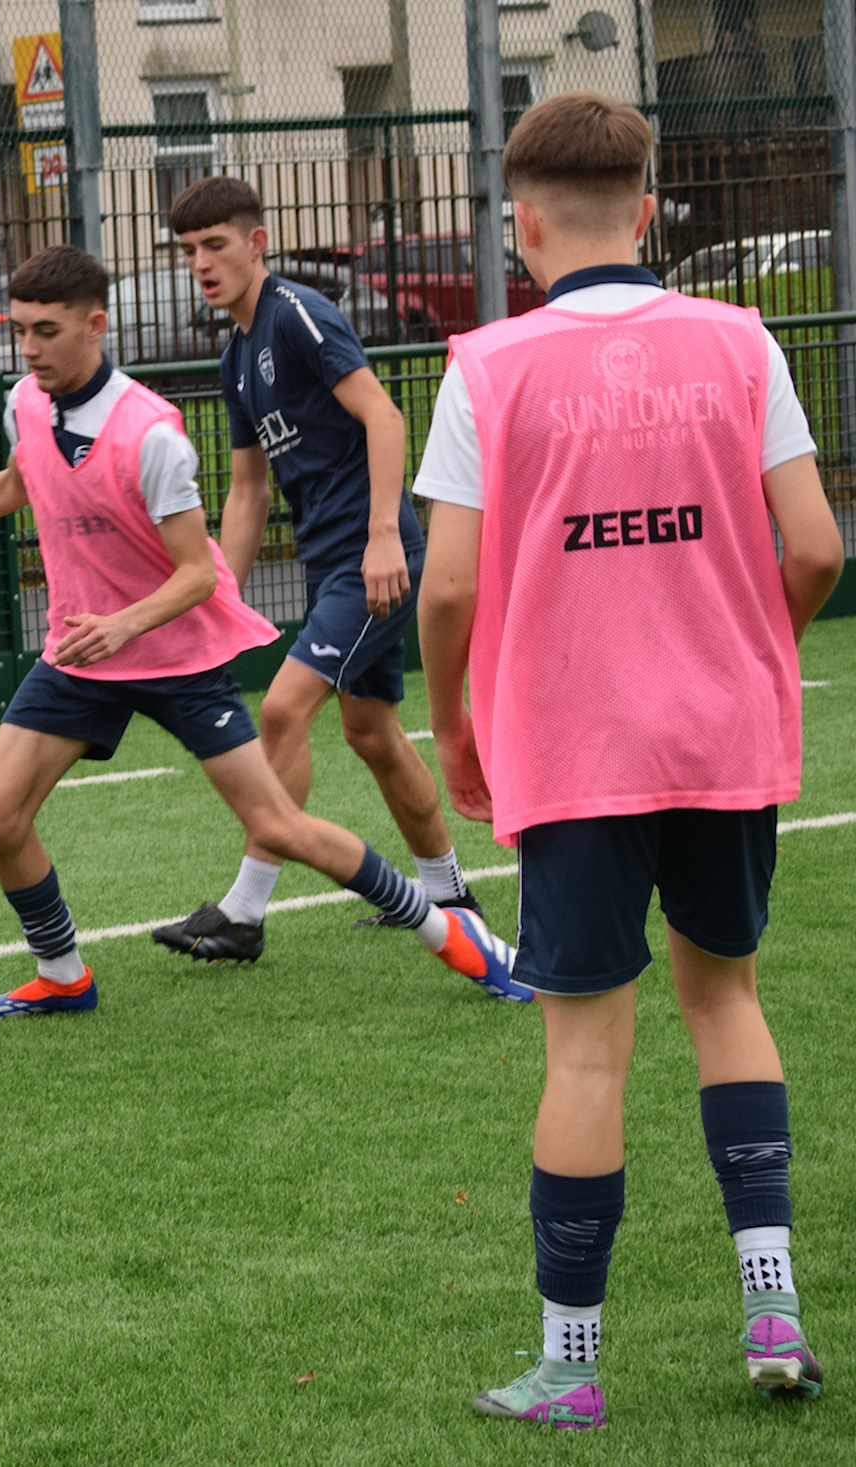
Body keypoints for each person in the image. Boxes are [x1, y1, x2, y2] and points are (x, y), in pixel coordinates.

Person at [414, 92, 841, 1426]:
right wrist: (748, 646)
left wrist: (453, 724)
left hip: (575, 742)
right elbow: (819, 546)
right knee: (729, 999)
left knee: (587, 1051)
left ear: (522, 224)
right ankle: (772, 1309)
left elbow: (443, 592)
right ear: (650, 212)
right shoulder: (741, 338)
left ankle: (573, 1366)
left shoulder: (487, 365)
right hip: (725, 732)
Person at [0, 244, 522, 1022]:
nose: (28, 349)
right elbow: (20, 476)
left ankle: (455, 935)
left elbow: (198, 575)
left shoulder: (152, 435)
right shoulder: (24, 402)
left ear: (94, 324)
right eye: (20, 331)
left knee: (278, 823)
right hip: (82, 652)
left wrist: (123, 625)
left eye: (45, 331)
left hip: (173, 654)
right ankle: (62, 974)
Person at [147, 176, 496, 978]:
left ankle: (243, 912)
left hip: (373, 562)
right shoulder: (235, 355)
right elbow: (247, 490)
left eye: (216, 245)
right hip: (331, 566)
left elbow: (385, 414)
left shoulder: (296, 312)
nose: (202, 263)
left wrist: (383, 535)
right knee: (370, 733)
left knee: (281, 709)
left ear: (256, 242)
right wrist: (218, 597)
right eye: (189, 251)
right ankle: (451, 897)